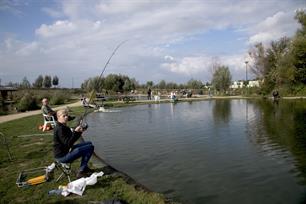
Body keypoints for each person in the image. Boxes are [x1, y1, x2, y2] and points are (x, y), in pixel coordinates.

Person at [53, 109, 94, 178]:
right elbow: (68, 143)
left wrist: (80, 131)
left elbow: (71, 138)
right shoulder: (60, 129)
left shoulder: (63, 126)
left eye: (67, 115)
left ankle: (85, 168)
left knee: (89, 144)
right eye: (64, 116)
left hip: (66, 151)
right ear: (58, 117)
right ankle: (81, 171)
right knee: (90, 147)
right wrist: (75, 132)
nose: (66, 117)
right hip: (62, 157)